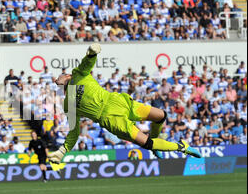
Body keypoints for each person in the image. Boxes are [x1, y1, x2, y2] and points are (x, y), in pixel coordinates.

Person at [48, 44, 202, 164]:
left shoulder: (78, 74)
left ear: (67, 75)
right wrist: (62, 151)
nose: (57, 79)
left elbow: (87, 62)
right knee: (147, 143)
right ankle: (182, 147)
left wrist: (92, 52)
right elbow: (74, 132)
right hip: (111, 118)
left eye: (60, 75)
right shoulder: (68, 104)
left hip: (118, 101)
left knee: (161, 115)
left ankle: (157, 146)